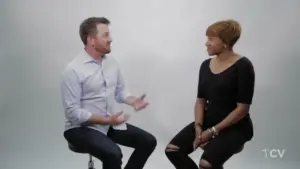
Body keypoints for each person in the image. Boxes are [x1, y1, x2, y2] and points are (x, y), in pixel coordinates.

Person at [60, 17, 157, 169]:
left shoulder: (112, 63)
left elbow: (120, 91)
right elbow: (72, 112)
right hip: (80, 128)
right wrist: (106, 120)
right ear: (91, 40)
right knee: (113, 154)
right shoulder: (73, 70)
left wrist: (132, 100)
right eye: (105, 35)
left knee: (148, 141)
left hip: (108, 124)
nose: (110, 39)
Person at [165, 19, 255, 169]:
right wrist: (198, 127)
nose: (206, 43)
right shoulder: (205, 65)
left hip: (236, 126)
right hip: (208, 121)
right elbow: (200, 101)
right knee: (173, 150)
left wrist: (213, 131)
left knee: (206, 164)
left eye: (211, 39)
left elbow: (242, 109)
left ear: (225, 42)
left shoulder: (243, 66)